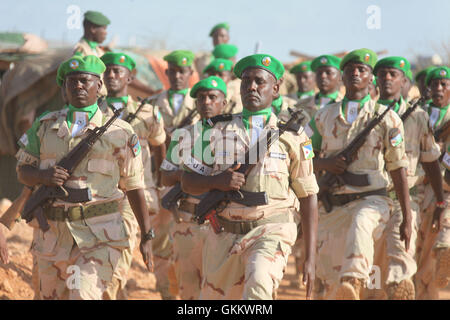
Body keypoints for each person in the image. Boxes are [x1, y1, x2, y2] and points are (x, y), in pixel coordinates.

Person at [15, 55, 154, 299]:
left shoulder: (120, 132)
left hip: (100, 237)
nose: (78, 86)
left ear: (99, 86)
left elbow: (134, 186)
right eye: (72, 82)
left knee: (83, 294)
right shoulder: (45, 125)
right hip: (52, 238)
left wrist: (147, 234)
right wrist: (43, 176)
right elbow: (23, 171)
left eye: (84, 81)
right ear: (64, 88)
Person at [181, 54, 319, 300]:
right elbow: (187, 181)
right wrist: (216, 181)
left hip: (272, 230)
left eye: (259, 81)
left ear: (275, 89)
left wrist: (310, 257)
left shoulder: (294, 137)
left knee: (258, 284)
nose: (252, 87)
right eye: (246, 82)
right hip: (223, 233)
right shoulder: (212, 130)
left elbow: (308, 196)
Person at [310, 48, 412, 300]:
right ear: (342, 78)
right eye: (350, 70)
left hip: (372, 200)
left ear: (371, 79)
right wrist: (326, 163)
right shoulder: (323, 116)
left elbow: (398, 167)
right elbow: (304, 159)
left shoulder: (388, 119)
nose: (355, 73)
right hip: (332, 205)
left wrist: (407, 216)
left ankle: (355, 278)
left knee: (361, 224)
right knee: (332, 283)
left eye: (362, 70)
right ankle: (347, 285)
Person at [371, 56, 442, 299]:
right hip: (370, 198)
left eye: (393, 74)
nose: (387, 78)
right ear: (376, 80)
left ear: (405, 81)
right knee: (374, 267)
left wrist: (441, 201)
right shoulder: (366, 114)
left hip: (407, 198)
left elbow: (431, 161)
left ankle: (401, 286)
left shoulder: (419, 116)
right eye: (383, 74)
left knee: (402, 252)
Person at [99, 52, 167, 299]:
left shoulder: (148, 112)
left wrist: (159, 181)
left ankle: (115, 290)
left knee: (124, 246)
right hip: (100, 193)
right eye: (108, 71)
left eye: (118, 71)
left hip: (133, 192)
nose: (112, 75)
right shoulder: (93, 109)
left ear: (130, 77)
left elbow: (160, 145)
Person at [160, 76, 228, 299]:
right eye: (201, 98)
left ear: (223, 103)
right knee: (188, 286)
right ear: (196, 104)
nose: (207, 102)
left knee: (220, 287)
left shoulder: (236, 135)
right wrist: (186, 176)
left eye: (212, 97)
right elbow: (165, 176)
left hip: (223, 222)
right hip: (188, 220)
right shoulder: (183, 135)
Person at [146, 49, 199, 299]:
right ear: (167, 73)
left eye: (183, 71)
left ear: (191, 73)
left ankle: (186, 289)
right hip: (159, 179)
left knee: (189, 238)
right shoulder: (152, 104)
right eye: (174, 71)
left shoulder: (202, 103)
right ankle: (166, 291)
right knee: (161, 239)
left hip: (192, 181)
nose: (178, 75)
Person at [415, 65, 450, 299]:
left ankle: (445, 252)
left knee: (444, 229)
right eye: (434, 84)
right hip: (419, 189)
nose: (438, 88)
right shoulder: (417, 114)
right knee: (419, 256)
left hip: (446, 189)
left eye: (444, 85)